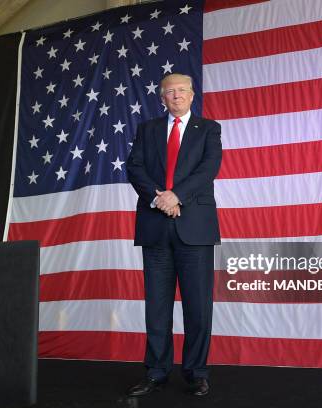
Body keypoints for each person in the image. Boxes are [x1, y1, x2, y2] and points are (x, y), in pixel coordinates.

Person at [126, 73, 222, 397]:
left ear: (193, 95)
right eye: (169, 91)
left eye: (181, 90)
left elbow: (208, 169)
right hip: (155, 227)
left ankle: (196, 373)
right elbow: (134, 167)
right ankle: (156, 372)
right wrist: (158, 198)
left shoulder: (209, 129)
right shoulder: (147, 130)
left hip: (194, 228)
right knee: (156, 306)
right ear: (161, 98)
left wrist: (175, 195)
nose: (176, 96)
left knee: (197, 307)